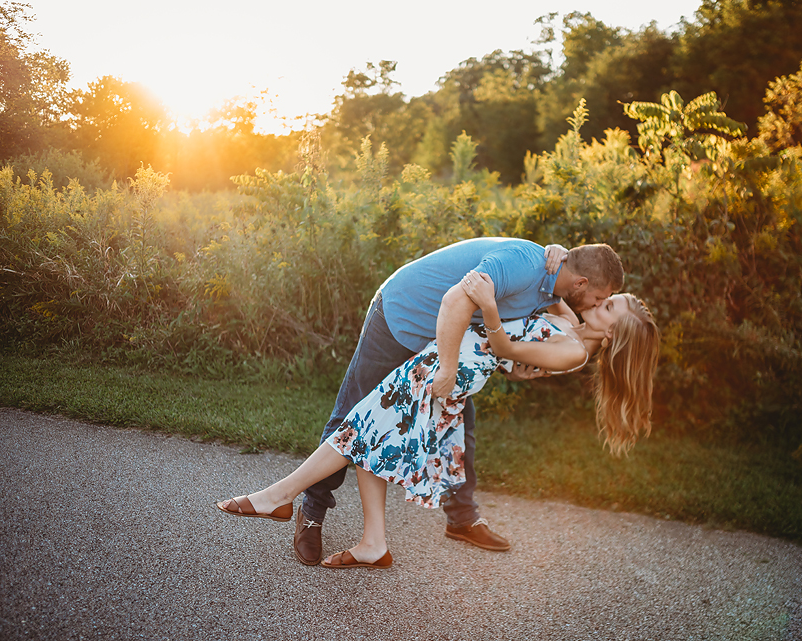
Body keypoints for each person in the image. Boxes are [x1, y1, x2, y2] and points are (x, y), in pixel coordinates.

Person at [220, 237, 624, 565]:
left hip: (445, 355)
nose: (593, 305)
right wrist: (450, 369)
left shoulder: (555, 293)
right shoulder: (528, 266)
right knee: (354, 418)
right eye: (602, 298)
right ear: (582, 286)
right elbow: (455, 303)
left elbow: (523, 339)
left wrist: (502, 356)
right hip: (403, 320)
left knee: (415, 431)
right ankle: (310, 510)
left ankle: (423, 527)